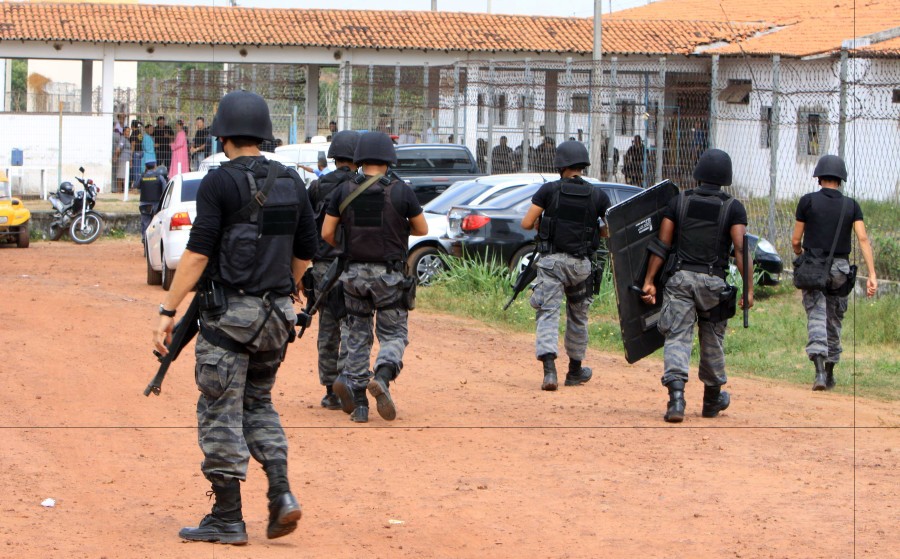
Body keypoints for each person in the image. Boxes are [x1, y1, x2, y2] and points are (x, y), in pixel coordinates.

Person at [152, 90, 318, 545]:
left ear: (222, 134)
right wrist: (289, 291)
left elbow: (198, 253)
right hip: (276, 319)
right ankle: (281, 492)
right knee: (258, 404)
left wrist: (168, 310)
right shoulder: (291, 181)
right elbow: (305, 254)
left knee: (219, 411)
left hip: (229, 321)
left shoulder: (218, 181)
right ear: (264, 133)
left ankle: (227, 518)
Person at [321, 131, 428, 423]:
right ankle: (381, 375)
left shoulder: (343, 191)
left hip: (353, 275)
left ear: (360, 159)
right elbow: (422, 229)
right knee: (393, 333)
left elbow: (327, 233)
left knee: (357, 336)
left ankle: (360, 406)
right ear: (388, 159)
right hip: (390, 276)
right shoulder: (401, 190)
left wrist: (348, 247)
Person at [639, 149, 753, 423]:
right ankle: (712, 401)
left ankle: (676, 400)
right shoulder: (733, 207)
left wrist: (649, 280)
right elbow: (740, 249)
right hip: (713, 283)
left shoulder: (680, 202)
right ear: (726, 177)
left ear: (698, 173)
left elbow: (662, 244)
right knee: (712, 339)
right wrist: (749, 289)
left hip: (680, 279)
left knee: (677, 336)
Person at [520, 140, 611, 391]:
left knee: (548, 314)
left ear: (560, 165)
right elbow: (610, 229)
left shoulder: (548, 191)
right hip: (580, 266)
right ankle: (574, 371)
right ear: (582, 165)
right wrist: (594, 230)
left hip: (551, 264)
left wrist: (543, 224)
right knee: (578, 317)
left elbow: (526, 224)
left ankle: (550, 373)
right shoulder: (597, 195)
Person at [791, 154, 878, 390]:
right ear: (841, 180)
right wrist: (871, 274)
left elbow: (796, 239)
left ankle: (818, 372)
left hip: (814, 265)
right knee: (835, 318)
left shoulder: (807, 201)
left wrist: (800, 254)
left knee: (817, 315)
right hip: (840, 268)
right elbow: (862, 238)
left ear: (819, 178)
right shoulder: (851, 205)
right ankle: (830, 374)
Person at [305, 130, 360, 410]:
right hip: (353, 267)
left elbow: (304, 228)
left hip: (324, 268)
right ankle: (346, 380)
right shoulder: (363, 186)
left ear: (335, 157)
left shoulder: (317, 187)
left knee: (327, 329)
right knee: (353, 326)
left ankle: (330, 390)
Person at [138, 160, 165, 241]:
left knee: (145, 223)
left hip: (144, 204)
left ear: (146, 167)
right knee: (158, 222)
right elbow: (164, 189)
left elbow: (136, 186)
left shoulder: (142, 176)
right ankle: (157, 239)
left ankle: (145, 239)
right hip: (157, 204)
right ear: (155, 166)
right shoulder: (159, 177)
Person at [116, 126, 132, 193]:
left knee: (125, 175)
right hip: (123, 159)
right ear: (124, 132)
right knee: (120, 175)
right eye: (127, 131)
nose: (128, 133)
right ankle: (119, 190)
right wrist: (116, 156)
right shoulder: (122, 139)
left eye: (129, 131)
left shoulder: (127, 139)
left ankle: (124, 190)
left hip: (127, 160)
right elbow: (118, 149)